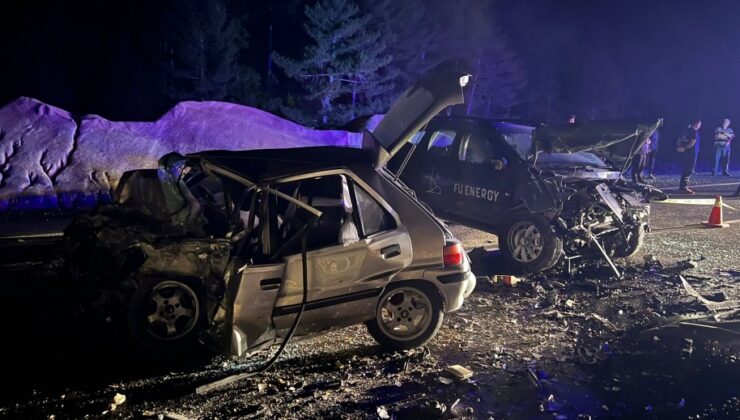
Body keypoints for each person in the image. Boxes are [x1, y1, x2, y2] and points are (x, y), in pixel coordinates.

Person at [677, 119, 702, 194]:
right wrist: (684, 147)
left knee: (685, 169)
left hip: (685, 153)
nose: (700, 126)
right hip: (691, 153)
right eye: (700, 124)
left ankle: (682, 186)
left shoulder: (685, 130)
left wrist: (680, 147)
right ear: (697, 124)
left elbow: (679, 139)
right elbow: (692, 143)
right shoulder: (694, 132)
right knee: (689, 170)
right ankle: (683, 187)